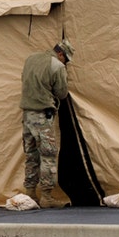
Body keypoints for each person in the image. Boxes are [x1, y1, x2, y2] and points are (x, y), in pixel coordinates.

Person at [19, 39, 73, 208]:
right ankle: (47, 196)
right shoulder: (57, 66)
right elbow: (62, 93)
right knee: (48, 155)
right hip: (43, 115)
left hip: (27, 115)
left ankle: (30, 193)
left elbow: (23, 79)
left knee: (31, 156)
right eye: (67, 59)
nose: (66, 62)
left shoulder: (31, 58)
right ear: (61, 54)